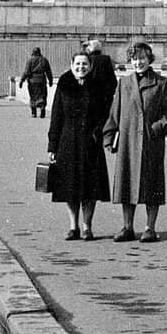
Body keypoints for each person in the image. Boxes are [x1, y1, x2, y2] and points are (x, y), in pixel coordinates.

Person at [103, 41, 167, 243]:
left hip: (150, 144)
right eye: (135, 59)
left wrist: (156, 129)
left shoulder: (161, 83)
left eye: (142, 58)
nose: (138, 62)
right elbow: (115, 112)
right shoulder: (124, 83)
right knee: (127, 184)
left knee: (151, 186)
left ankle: (150, 228)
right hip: (128, 143)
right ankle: (127, 227)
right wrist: (109, 135)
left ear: (149, 59)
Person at [47, 51, 111, 241]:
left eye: (84, 64)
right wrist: (52, 145)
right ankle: (73, 226)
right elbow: (56, 116)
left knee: (90, 187)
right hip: (67, 142)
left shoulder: (98, 85)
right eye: (78, 64)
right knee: (70, 187)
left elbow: (105, 113)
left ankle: (87, 227)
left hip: (90, 143)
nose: (81, 67)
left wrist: (97, 132)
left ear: (90, 66)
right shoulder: (64, 84)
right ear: (71, 65)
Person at [85, 38, 118, 116]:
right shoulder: (106, 59)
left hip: (90, 97)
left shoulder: (87, 59)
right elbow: (112, 79)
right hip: (105, 97)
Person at [19, 47, 53, 118]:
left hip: (32, 81)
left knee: (33, 96)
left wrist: (22, 80)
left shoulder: (30, 60)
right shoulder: (44, 60)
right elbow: (48, 71)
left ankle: (33, 112)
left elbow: (26, 72)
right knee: (42, 95)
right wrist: (50, 80)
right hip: (42, 80)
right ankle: (42, 107)